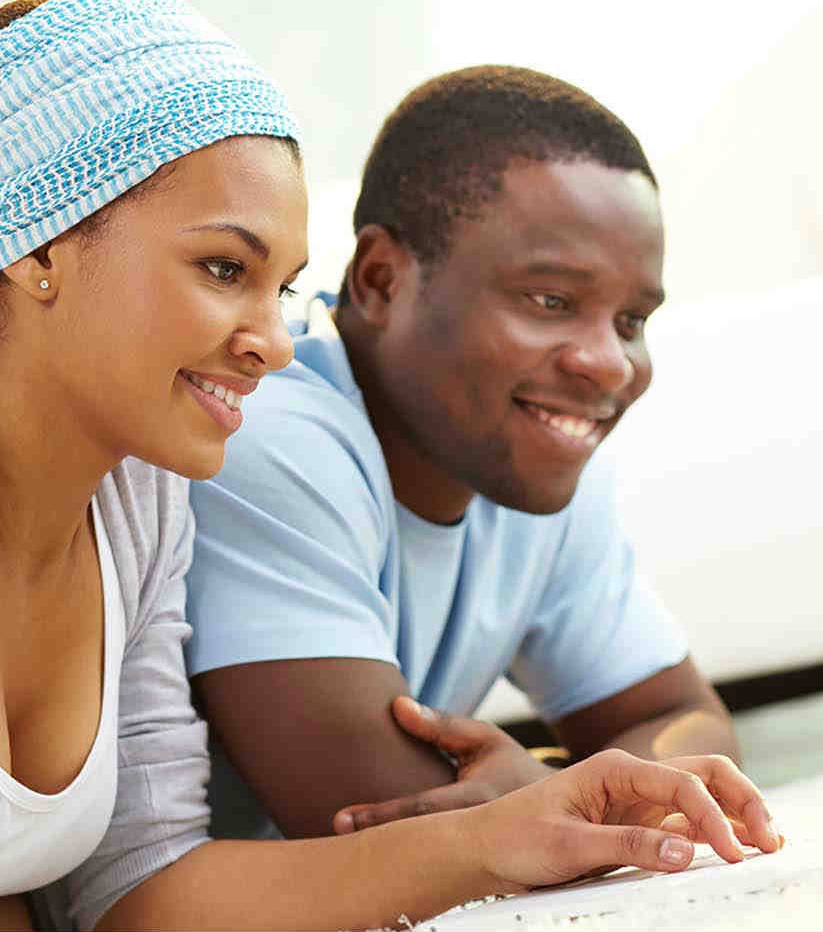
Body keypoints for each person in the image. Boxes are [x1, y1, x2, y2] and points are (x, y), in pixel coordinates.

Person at [0, 2, 779, 930]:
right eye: (222, 268)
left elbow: (143, 888)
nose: (275, 337)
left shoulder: (140, 487)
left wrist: (506, 836)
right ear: (38, 247)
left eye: (279, 284)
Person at [187, 65, 746, 842]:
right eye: (551, 301)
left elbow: (686, 722)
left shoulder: (533, 468)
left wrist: (568, 796)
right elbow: (375, 823)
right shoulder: (264, 433)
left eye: (631, 319)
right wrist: (588, 798)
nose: (611, 364)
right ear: (381, 278)